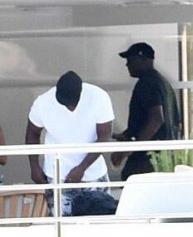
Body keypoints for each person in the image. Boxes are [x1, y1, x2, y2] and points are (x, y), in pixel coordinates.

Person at [25, 71, 117, 216]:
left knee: (100, 222)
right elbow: (32, 134)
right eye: (64, 104)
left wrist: (82, 168)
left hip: (93, 173)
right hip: (58, 175)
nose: (70, 108)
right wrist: (34, 166)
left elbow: (104, 137)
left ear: (81, 92)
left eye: (72, 104)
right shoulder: (42, 103)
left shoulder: (98, 97)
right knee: (62, 224)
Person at [111, 42, 181, 180]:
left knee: (132, 183)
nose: (127, 65)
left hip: (148, 158)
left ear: (144, 60)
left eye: (130, 60)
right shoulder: (163, 83)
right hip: (163, 156)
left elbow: (156, 119)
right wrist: (127, 135)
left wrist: (133, 147)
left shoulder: (147, 83)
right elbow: (175, 123)